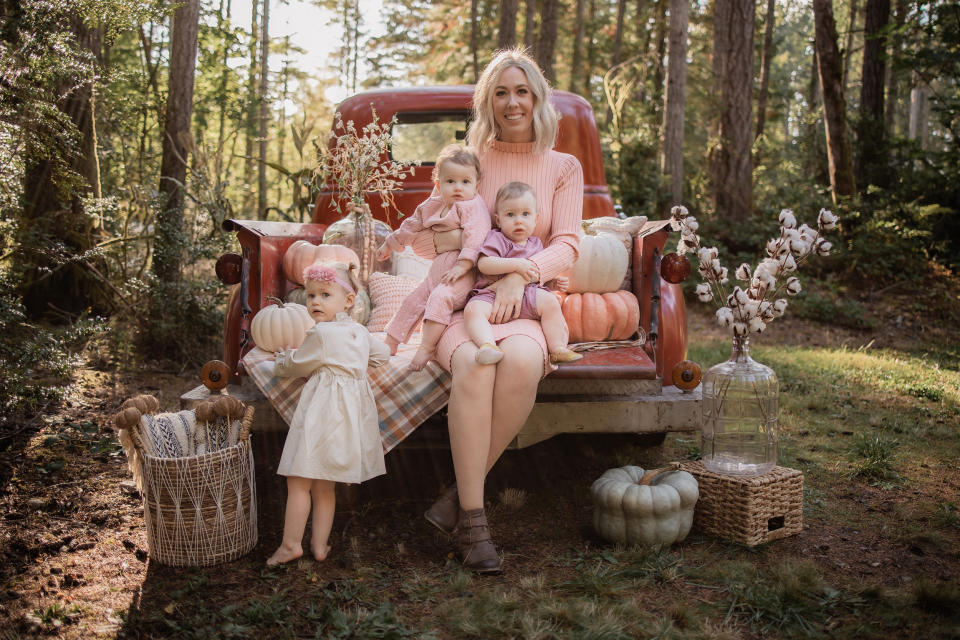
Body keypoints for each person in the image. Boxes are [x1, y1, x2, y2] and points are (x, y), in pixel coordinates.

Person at [411, 48, 584, 573]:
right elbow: (425, 244)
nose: (513, 103)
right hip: (467, 301)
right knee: (471, 364)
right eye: (502, 92)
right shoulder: (470, 161)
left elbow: (570, 243)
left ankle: (458, 496)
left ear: (538, 98)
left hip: (529, 303)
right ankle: (474, 519)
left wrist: (518, 273)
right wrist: (440, 235)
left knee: (525, 364)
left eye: (522, 91)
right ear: (489, 100)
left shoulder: (563, 166)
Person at [266, 261, 390, 566]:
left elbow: (296, 366)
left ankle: (291, 544)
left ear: (348, 301)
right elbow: (382, 355)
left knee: (298, 481)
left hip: (322, 413)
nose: (316, 302)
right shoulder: (359, 332)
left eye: (324, 295)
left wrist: (281, 359)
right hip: (347, 419)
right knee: (325, 486)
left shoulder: (320, 333)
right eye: (311, 296)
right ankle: (320, 546)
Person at [376, 145, 491, 371]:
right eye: (450, 182)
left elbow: (477, 235)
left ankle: (426, 347)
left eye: (465, 182)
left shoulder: (472, 206)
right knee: (412, 301)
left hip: (462, 275)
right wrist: (390, 243)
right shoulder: (432, 205)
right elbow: (411, 225)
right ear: (439, 185)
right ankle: (390, 342)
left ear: (476, 186)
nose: (458, 187)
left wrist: (464, 264)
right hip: (437, 272)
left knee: (440, 298)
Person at [464, 181, 581, 365]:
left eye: (525, 214)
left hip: (528, 296)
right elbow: (484, 264)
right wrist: (517, 265)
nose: (518, 220)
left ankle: (557, 347)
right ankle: (487, 345)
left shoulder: (536, 244)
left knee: (551, 302)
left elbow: (537, 276)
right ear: (498, 219)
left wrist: (551, 284)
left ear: (536, 219)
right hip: (492, 295)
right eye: (510, 214)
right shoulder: (497, 238)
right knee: (472, 310)